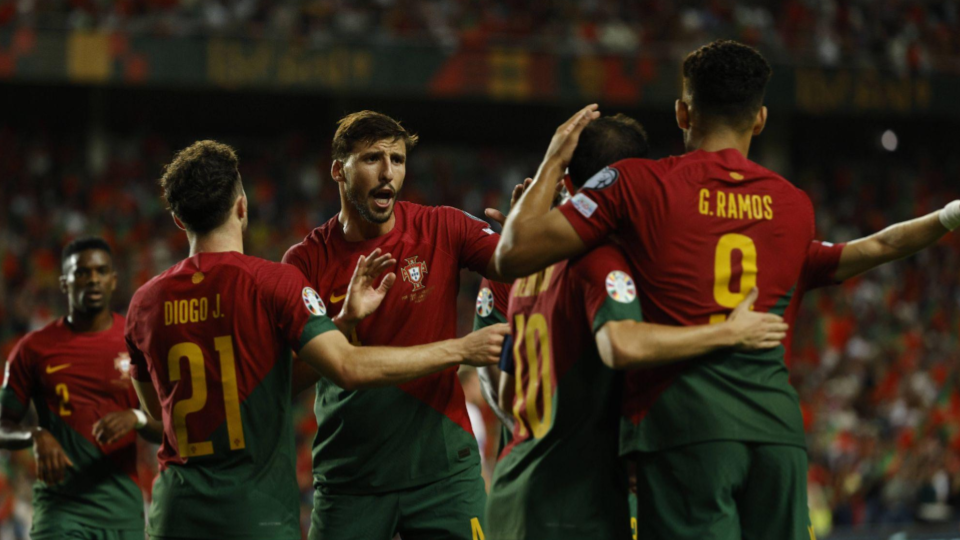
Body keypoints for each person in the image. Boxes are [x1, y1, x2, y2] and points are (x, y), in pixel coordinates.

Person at [495, 40, 960, 540]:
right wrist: (948, 215)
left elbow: (513, 254)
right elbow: (876, 246)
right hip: (775, 429)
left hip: (683, 426)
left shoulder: (638, 184)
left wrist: (555, 161)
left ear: (682, 112)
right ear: (759, 119)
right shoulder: (794, 206)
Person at [126, 140, 506, 540]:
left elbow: (158, 414)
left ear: (178, 219)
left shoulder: (144, 303)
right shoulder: (273, 283)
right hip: (256, 513)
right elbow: (345, 366)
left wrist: (341, 322)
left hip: (176, 513)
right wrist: (462, 349)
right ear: (242, 208)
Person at [486, 114, 788, 540]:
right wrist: (728, 332)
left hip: (511, 489)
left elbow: (505, 393)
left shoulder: (526, 273)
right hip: (574, 504)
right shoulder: (601, 261)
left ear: (568, 184)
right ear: (630, 185)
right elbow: (623, 345)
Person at [283, 110, 509, 540]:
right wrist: (343, 323)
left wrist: (537, 224)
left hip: (444, 474)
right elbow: (290, 379)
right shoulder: (305, 261)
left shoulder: (443, 227)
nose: (388, 173)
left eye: (398, 159)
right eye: (372, 159)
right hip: (351, 481)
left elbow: (516, 263)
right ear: (338, 170)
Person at [0, 237, 162, 540]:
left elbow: (170, 426)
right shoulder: (33, 348)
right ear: (64, 282)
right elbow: (2, 424)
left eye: (101, 271)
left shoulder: (138, 343)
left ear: (113, 280)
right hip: (60, 513)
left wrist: (136, 418)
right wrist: (34, 435)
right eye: (82, 273)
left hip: (123, 513)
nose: (93, 280)